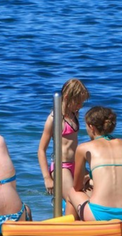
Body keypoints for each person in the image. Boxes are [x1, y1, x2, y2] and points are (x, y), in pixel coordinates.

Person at [67, 106, 122, 228]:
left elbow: (77, 186)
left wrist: (86, 180)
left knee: (71, 192)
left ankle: (68, 230)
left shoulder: (84, 148)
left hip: (100, 216)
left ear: (91, 127)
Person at [37, 78, 89, 217]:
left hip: (77, 164)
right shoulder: (54, 119)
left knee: (90, 195)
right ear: (66, 97)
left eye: (82, 102)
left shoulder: (74, 114)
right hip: (62, 166)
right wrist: (47, 178)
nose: (80, 106)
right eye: (78, 102)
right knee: (73, 199)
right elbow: (41, 150)